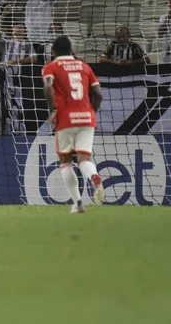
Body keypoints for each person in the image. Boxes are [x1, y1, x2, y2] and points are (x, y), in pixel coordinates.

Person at [42, 35, 104, 214]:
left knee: (65, 161)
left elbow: (48, 86)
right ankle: (94, 177)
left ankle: (78, 204)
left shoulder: (50, 67)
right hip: (87, 118)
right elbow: (98, 94)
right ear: (71, 51)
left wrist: (52, 110)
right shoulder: (85, 66)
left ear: (53, 52)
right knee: (83, 159)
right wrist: (91, 112)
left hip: (66, 118)